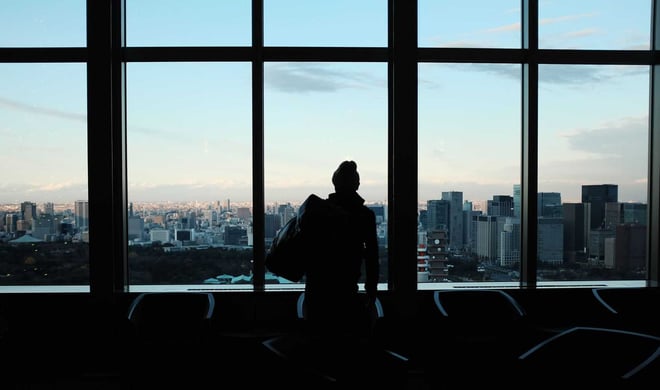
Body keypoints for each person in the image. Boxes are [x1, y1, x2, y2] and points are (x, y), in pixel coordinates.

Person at [302, 160, 380, 341]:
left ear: (334, 184)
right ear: (357, 185)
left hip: (316, 289)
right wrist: (371, 289)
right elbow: (372, 256)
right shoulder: (364, 216)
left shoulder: (318, 211)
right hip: (346, 289)